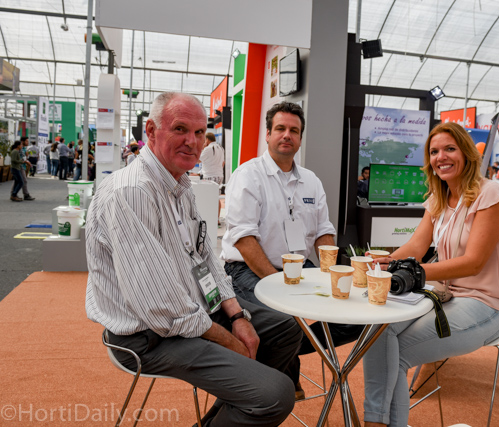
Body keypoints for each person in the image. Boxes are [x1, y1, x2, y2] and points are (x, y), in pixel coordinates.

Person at [85, 92, 302, 427]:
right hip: (150, 335)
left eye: (200, 132)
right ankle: (253, 401)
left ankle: (228, 412)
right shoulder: (133, 191)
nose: (193, 141)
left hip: (192, 310)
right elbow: (161, 307)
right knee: (276, 395)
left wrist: (237, 315)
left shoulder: (179, 183)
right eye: (180, 129)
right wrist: (228, 340)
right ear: (151, 131)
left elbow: (205, 257)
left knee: (285, 329)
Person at [362, 122, 499, 427]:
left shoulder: (491, 194)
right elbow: (416, 246)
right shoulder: (439, 197)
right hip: (445, 296)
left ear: (467, 153)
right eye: (434, 152)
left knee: (393, 353)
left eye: (449, 149)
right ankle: (380, 422)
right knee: (378, 332)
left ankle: (376, 423)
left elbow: (473, 263)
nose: (441, 157)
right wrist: (387, 261)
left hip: (488, 303)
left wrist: (412, 271)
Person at [221, 101, 363, 399]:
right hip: (246, 270)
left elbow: (323, 231)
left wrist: (331, 275)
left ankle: (284, 350)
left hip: (299, 267)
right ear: (268, 134)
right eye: (280, 129)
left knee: (356, 313)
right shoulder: (247, 176)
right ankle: (283, 369)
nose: (287, 135)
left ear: (300, 138)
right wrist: (277, 282)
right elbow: (244, 240)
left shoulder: (311, 180)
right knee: (285, 320)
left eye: (294, 131)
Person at [199, 132, 225, 225]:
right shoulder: (221, 148)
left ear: (207, 140)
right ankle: (217, 219)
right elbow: (223, 163)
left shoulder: (208, 149)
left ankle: (209, 219)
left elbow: (198, 160)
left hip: (209, 177)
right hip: (219, 176)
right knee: (217, 197)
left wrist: (202, 148)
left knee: (208, 198)